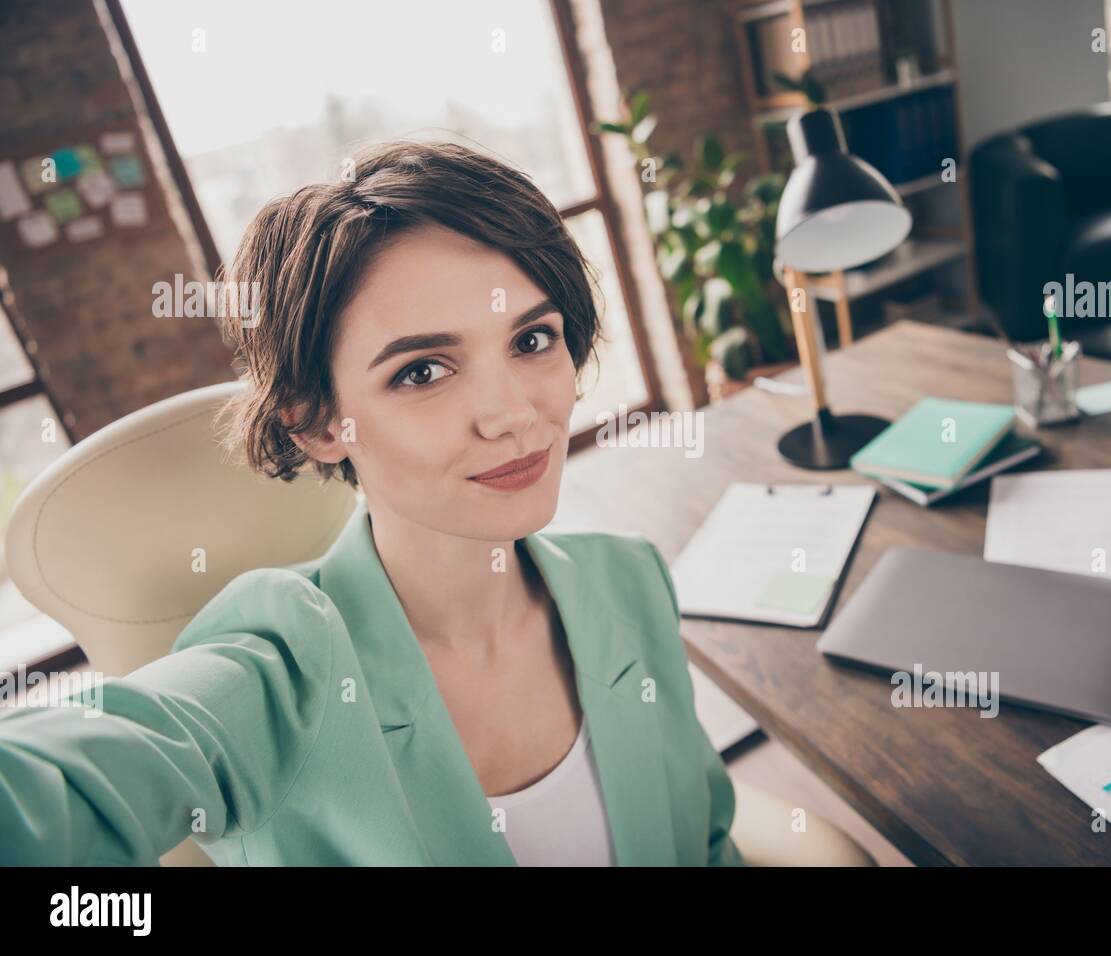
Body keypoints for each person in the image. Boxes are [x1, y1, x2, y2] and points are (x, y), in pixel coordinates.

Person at [0, 139, 745, 867]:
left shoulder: (631, 581)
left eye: (532, 339)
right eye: (423, 371)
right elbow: (62, 775)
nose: (512, 413)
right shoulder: (281, 671)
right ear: (318, 422)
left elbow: (707, 843)